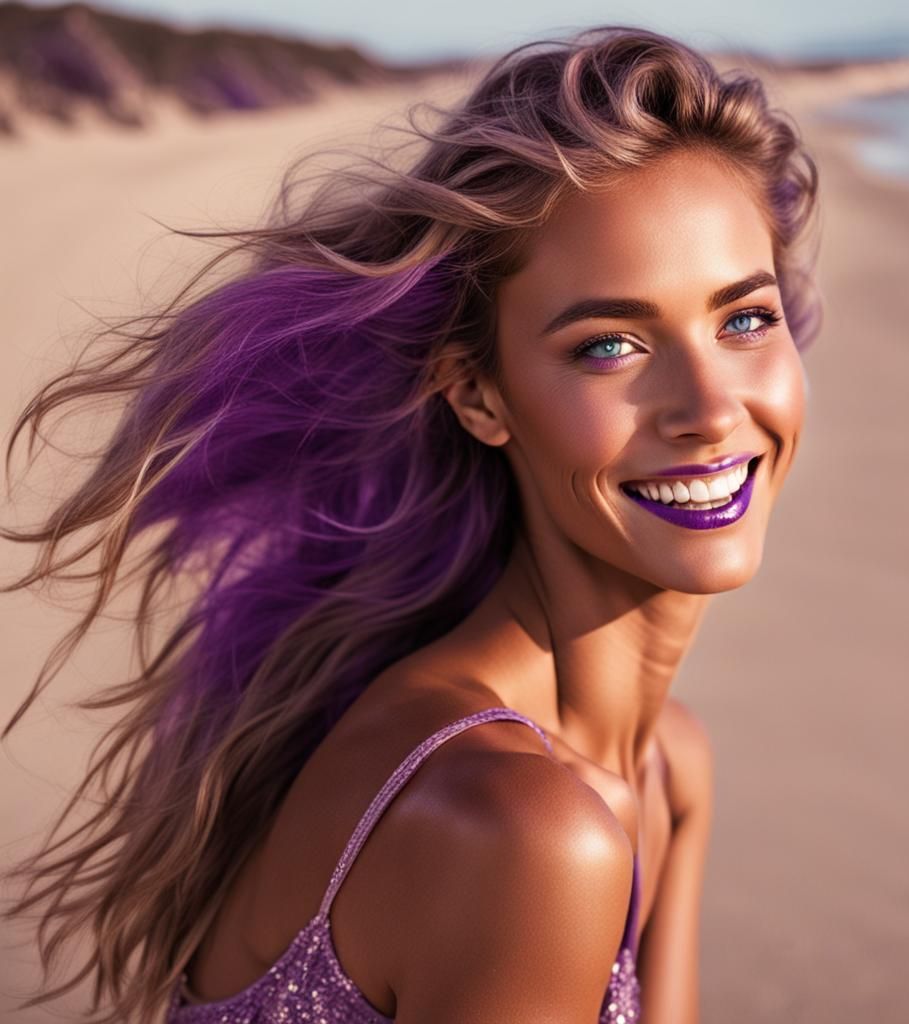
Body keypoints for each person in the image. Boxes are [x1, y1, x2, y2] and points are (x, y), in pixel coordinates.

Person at [1, 24, 821, 1024]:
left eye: (743, 318)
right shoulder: (520, 828)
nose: (707, 406)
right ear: (478, 396)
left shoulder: (664, 766)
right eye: (609, 344)